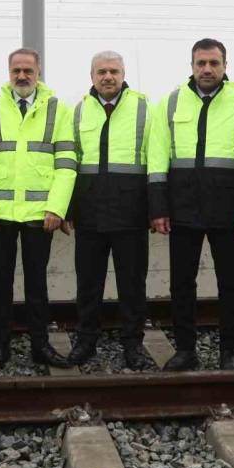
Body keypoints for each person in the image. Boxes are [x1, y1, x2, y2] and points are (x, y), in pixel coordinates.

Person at [148, 38, 234, 371]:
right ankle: (186, 350)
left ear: (225, 66)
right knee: (181, 284)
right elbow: (157, 155)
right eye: (201, 63)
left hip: (228, 209)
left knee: (231, 283)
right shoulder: (171, 102)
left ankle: (229, 352)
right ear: (191, 66)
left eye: (214, 63)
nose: (207, 69)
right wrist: (158, 208)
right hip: (182, 208)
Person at [0, 48, 77, 370]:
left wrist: (57, 208)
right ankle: (0, 346)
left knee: (37, 285)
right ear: (8, 71)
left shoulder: (58, 110)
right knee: (1, 283)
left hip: (39, 215)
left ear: (38, 72)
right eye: (16, 70)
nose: (22, 76)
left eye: (28, 70)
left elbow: (67, 164)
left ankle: (40, 346)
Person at [65, 51, 153, 370]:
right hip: (89, 213)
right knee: (88, 283)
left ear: (123, 74)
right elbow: (70, 163)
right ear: (91, 76)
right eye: (101, 71)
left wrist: (154, 208)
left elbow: (154, 159)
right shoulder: (78, 111)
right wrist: (68, 209)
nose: (108, 77)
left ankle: (133, 345)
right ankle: (86, 341)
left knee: (132, 284)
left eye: (114, 71)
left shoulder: (144, 108)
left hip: (131, 212)